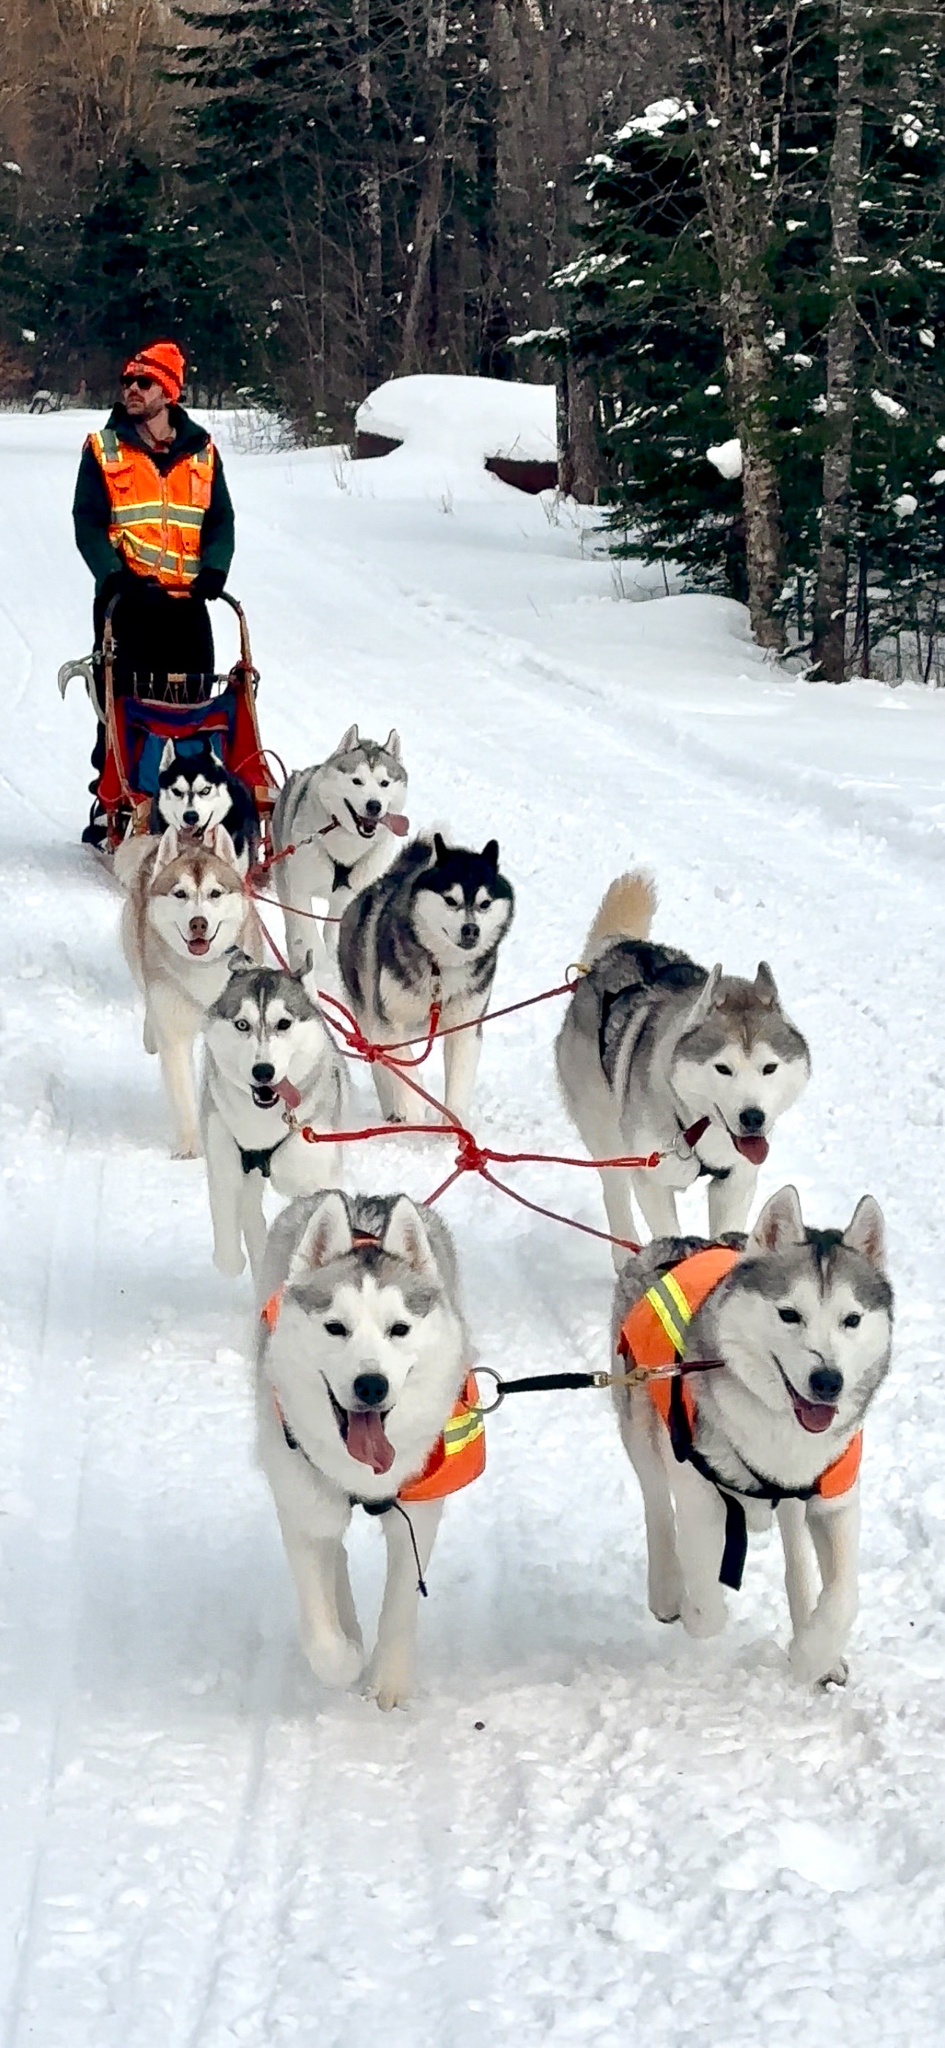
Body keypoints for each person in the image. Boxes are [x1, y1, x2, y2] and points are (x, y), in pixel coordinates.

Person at [72, 340, 235, 844]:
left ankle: (191, 802)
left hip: (188, 604)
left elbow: (220, 519)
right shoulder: (105, 449)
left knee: (191, 704)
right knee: (120, 701)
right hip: (129, 602)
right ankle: (111, 802)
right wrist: (112, 574)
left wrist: (215, 569)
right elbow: (88, 522)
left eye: (143, 382)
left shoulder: (203, 451)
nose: (131, 390)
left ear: (168, 389)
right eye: (127, 382)